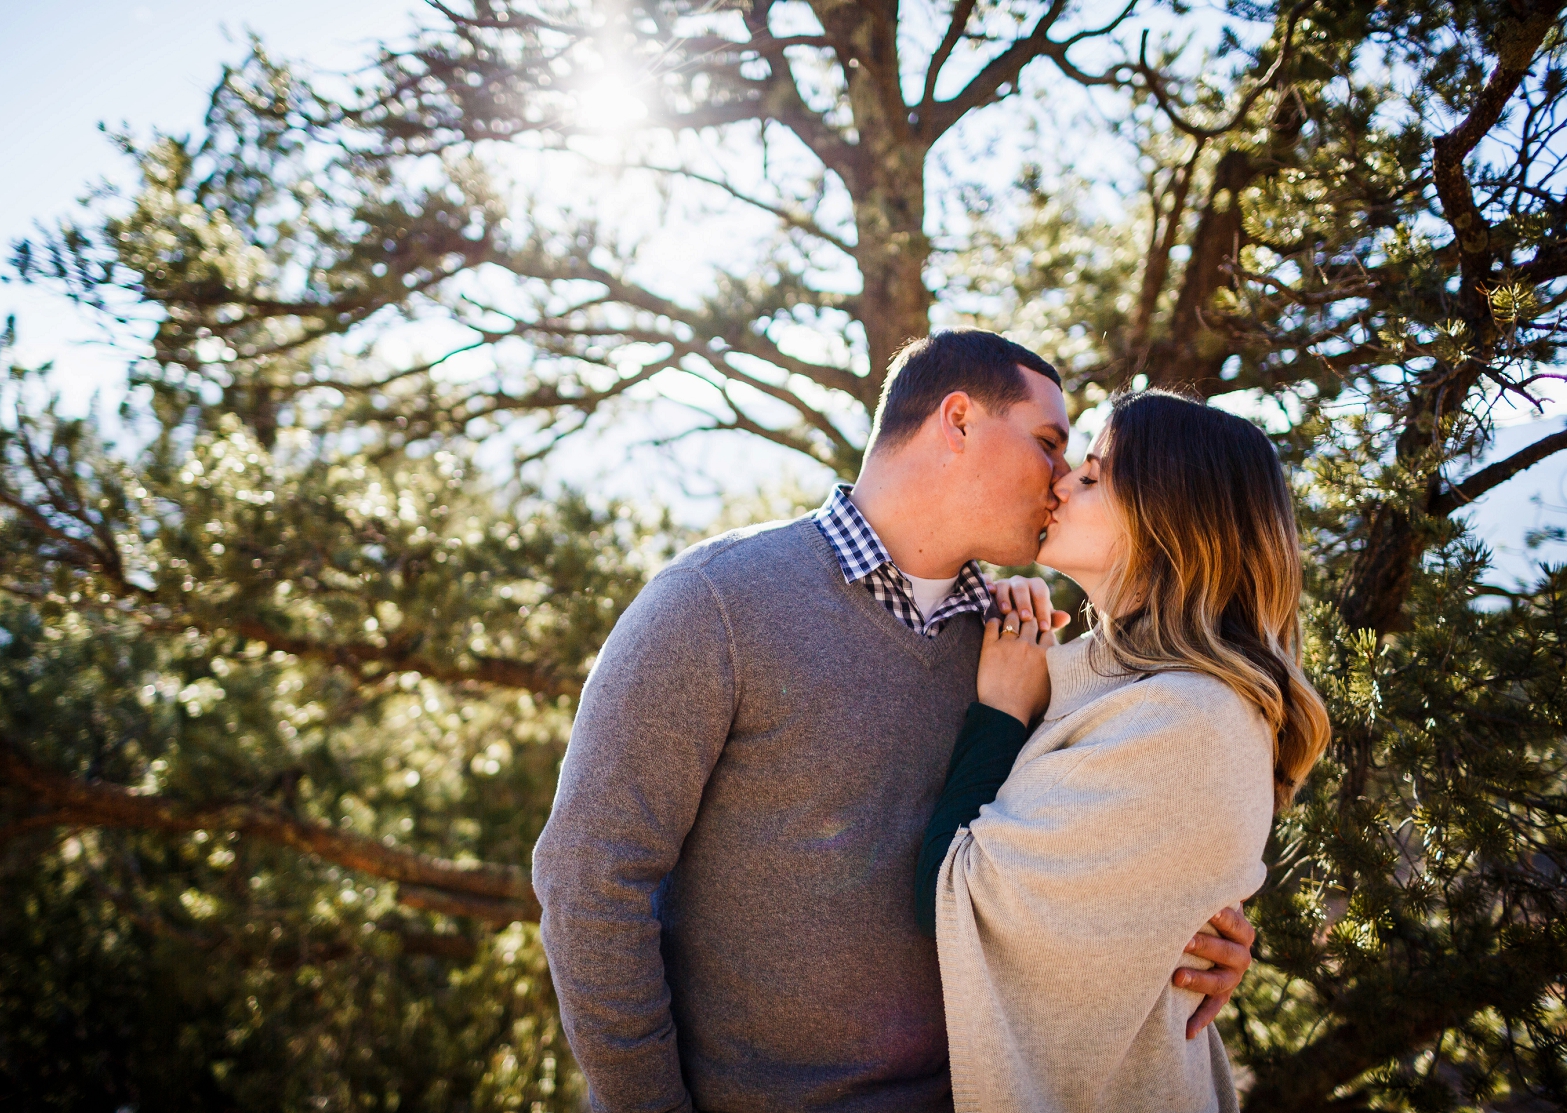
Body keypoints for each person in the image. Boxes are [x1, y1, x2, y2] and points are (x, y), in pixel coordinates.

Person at [532, 331, 1257, 1112]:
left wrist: (1192, 933)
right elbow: (590, 879)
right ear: (958, 420)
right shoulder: (715, 604)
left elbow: (1095, 857)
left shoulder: (1022, 650)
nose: (1060, 478)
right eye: (1049, 443)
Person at [917, 390, 1331, 1112]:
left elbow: (956, 898)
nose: (1060, 481)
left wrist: (1000, 712)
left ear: (1168, 515)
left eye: (1094, 473)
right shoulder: (1120, 689)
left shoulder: (1189, 721)